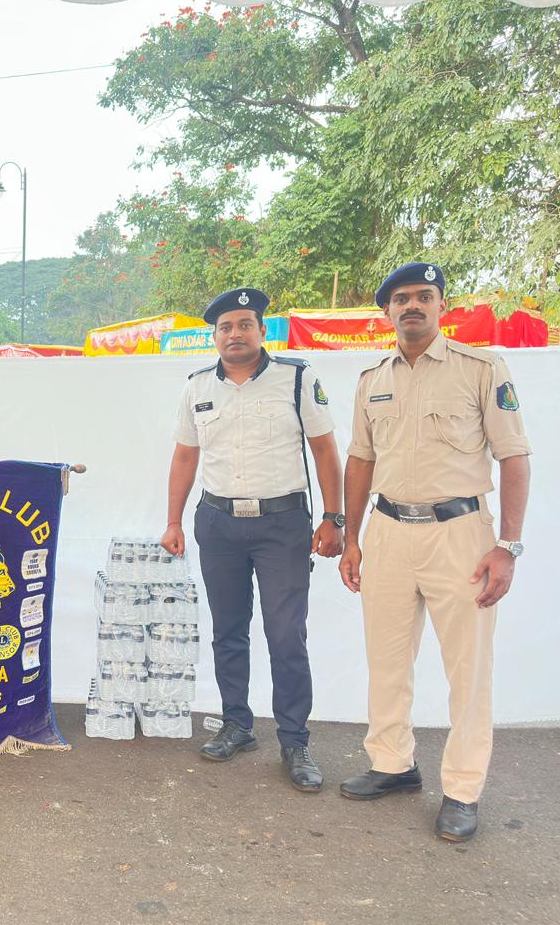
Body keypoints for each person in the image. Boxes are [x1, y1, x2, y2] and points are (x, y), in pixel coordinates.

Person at [338, 262, 531, 843]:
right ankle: (393, 764)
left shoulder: (481, 368)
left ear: (441, 306)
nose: (412, 306)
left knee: (468, 669)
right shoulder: (371, 378)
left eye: (424, 296)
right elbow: (360, 460)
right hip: (389, 531)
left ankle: (463, 789)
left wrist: (508, 545)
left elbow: (514, 456)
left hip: (462, 535)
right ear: (388, 312)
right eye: (401, 299)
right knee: (387, 660)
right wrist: (350, 537)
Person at [159, 288, 344, 792]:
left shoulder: (297, 378)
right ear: (214, 336)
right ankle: (237, 724)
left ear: (263, 331)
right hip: (218, 524)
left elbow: (326, 451)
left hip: (281, 525)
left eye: (244, 325)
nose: (234, 334)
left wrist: (335, 517)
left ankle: (294, 739)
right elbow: (184, 457)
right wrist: (173, 521)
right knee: (228, 630)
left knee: (286, 636)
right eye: (225, 327)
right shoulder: (197, 385)